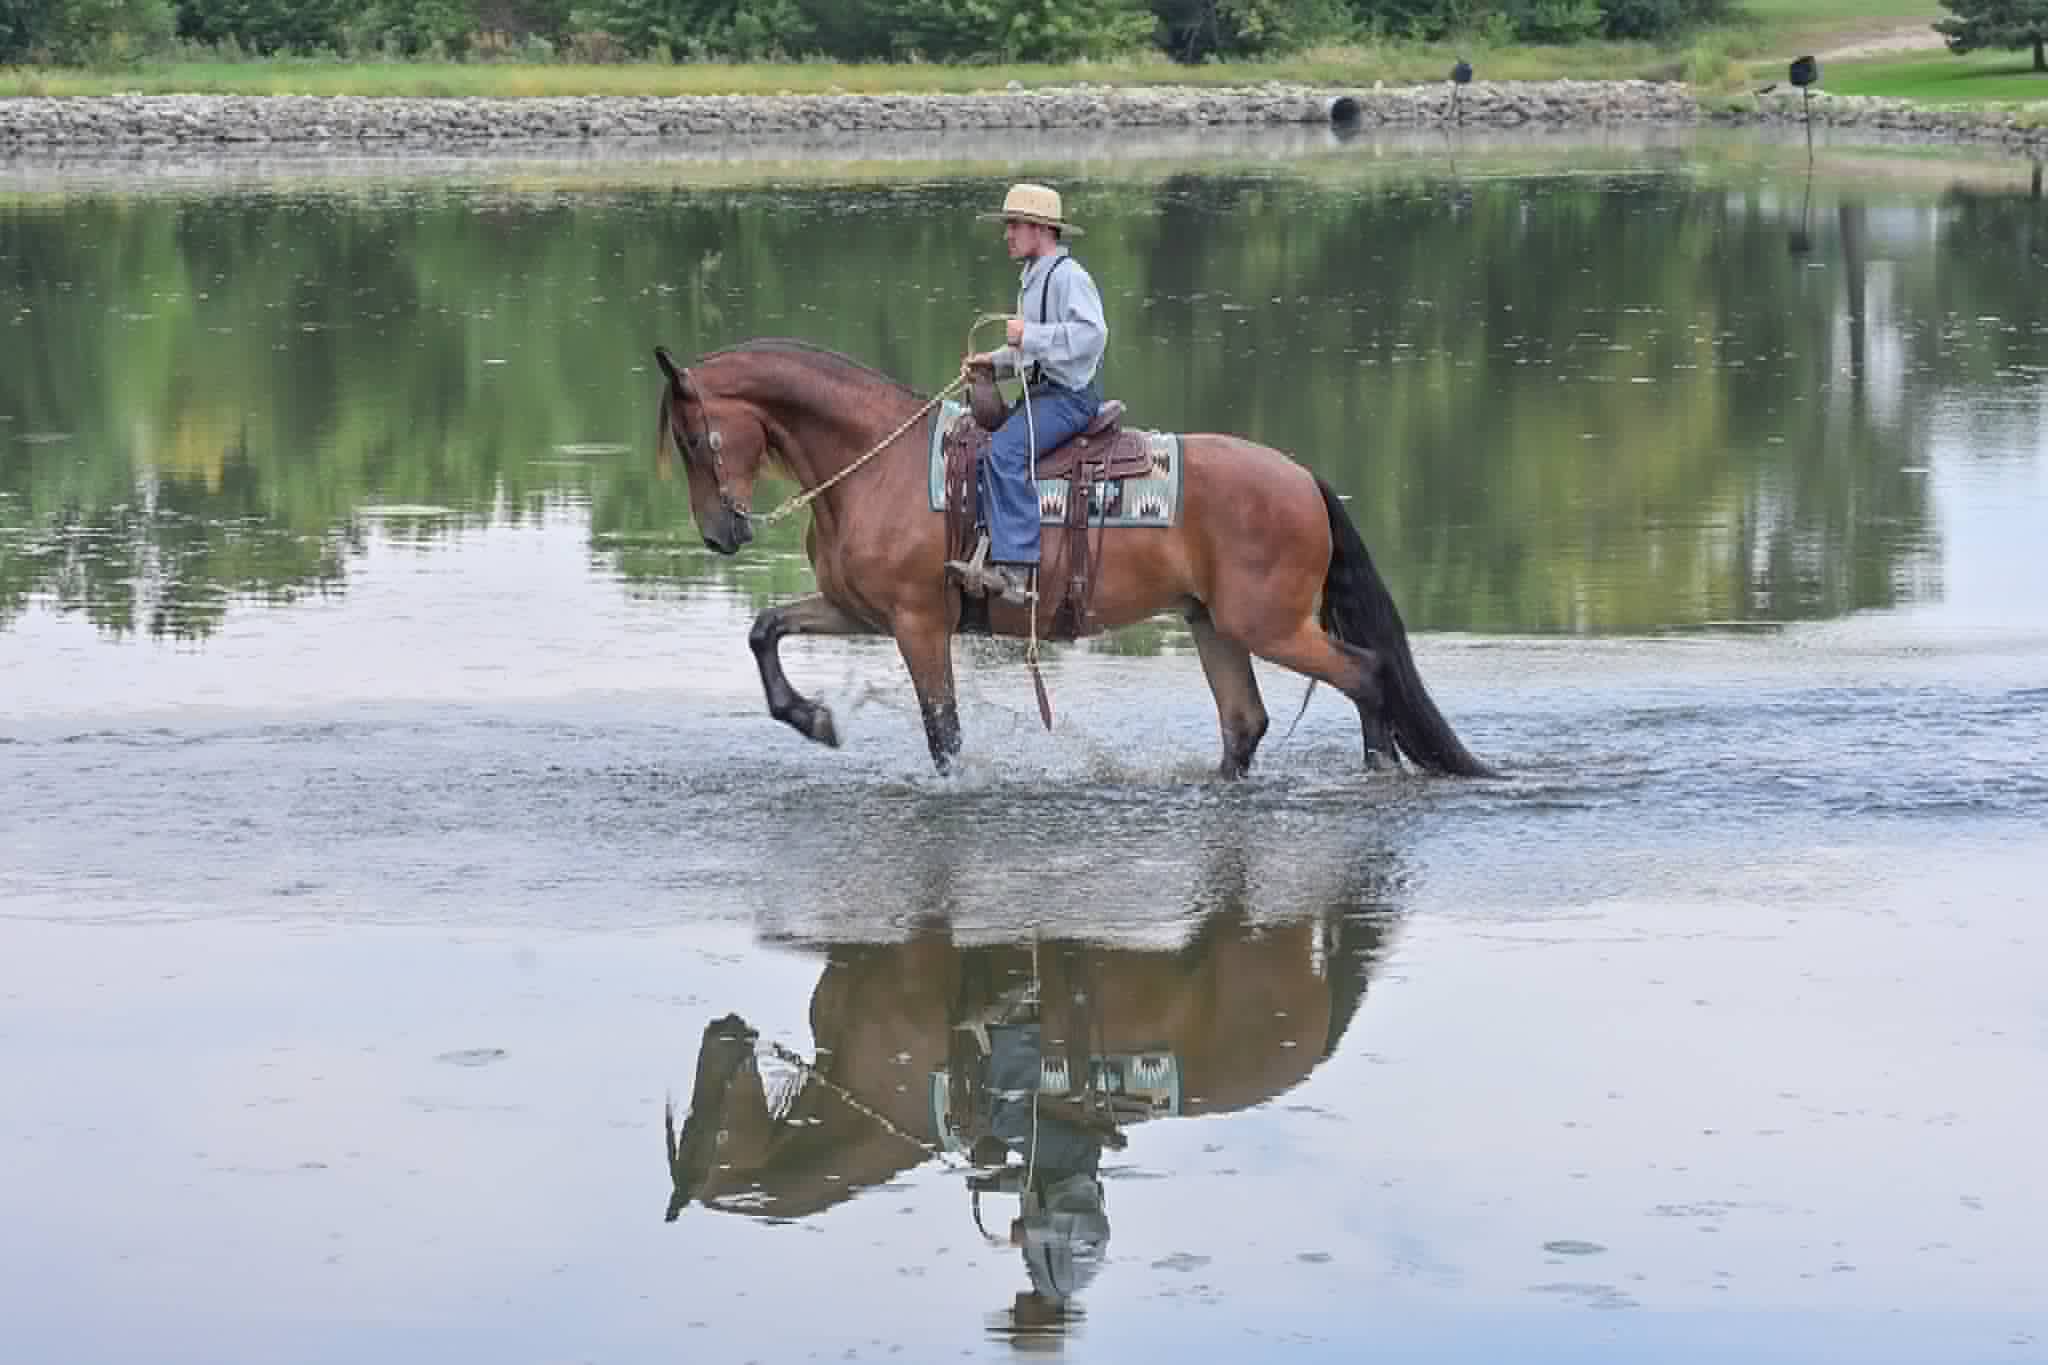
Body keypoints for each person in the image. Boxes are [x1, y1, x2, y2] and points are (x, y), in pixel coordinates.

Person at [950, 182, 1109, 606]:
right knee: (979, 447)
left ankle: (1016, 568)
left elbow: (1092, 336)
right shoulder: (1034, 279)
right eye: (1008, 226)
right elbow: (1030, 353)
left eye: (1014, 225)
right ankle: (986, 550)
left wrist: (1031, 334)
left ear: (1040, 229)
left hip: (1069, 399)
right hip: (1043, 395)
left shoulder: (1069, 277)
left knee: (1004, 452)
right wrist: (994, 364)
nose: (1008, 234)